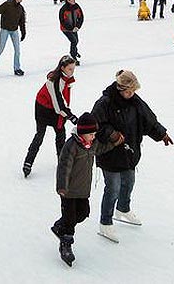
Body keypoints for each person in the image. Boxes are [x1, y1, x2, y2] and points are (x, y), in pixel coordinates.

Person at [92, 70, 173, 243]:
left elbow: (149, 121)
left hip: (129, 151)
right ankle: (105, 222)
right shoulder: (105, 103)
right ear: (121, 88)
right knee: (112, 188)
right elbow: (95, 124)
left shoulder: (136, 102)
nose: (132, 94)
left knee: (129, 182)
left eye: (133, 91)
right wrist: (112, 134)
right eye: (129, 91)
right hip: (110, 153)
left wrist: (162, 134)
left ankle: (122, 209)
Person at [53, 113, 124, 267]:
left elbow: (102, 148)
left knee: (83, 213)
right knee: (70, 220)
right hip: (69, 191)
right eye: (91, 134)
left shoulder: (91, 145)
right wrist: (62, 187)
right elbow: (64, 167)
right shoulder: (71, 146)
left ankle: (60, 225)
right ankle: (65, 245)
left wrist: (115, 143)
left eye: (94, 134)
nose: (93, 137)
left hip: (83, 190)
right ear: (82, 133)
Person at [22, 55, 78, 178]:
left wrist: (68, 114)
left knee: (60, 134)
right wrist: (71, 116)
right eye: (70, 69)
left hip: (56, 110)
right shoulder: (52, 81)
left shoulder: (66, 79)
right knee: (40, 135)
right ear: (62, 67)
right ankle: (28, 162)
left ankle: (62, 161)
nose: (72, 72)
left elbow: (63, 100)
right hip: (43, 109)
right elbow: (59, 104)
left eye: (73, 69)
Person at [0, 0, 26, 76]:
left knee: (17, 50)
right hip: (5, 30)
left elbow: (22, 22)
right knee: (1, 48)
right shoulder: (7, 4)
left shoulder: (20, 8)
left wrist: (23, 32)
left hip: (14, 30)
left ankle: (17, 68)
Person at [58, 0, 84, 64]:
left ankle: (74, 51)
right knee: (74, 41)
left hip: (74, 28)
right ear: (68, 0)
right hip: (66, 29)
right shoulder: (63, 9)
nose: (74, 0)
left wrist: (77, 26)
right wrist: (71, 28)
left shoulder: (77, 6)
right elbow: (62, 21)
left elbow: (81, 17)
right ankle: (73, 57)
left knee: (76, 40)